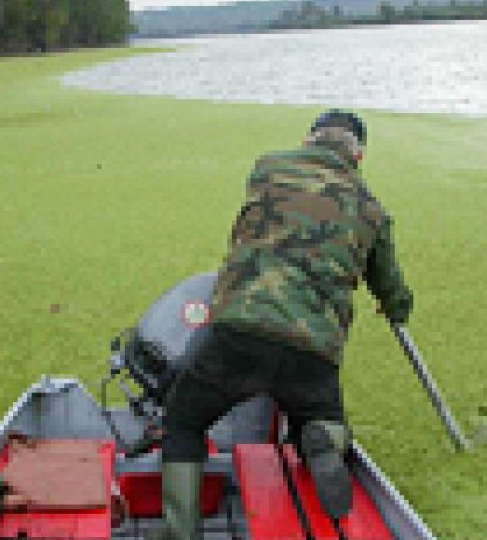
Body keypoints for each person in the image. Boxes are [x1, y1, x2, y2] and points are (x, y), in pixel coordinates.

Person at [149, 110, 414, 540]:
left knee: (184, 420)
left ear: (310, 141)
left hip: (239, 333)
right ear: (359, 157)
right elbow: (393, 293)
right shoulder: (373, 211)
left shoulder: (268, 167)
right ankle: (325, 435)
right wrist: (398, 306)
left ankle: (179, 530)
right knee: (318, 413)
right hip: (312, 350)